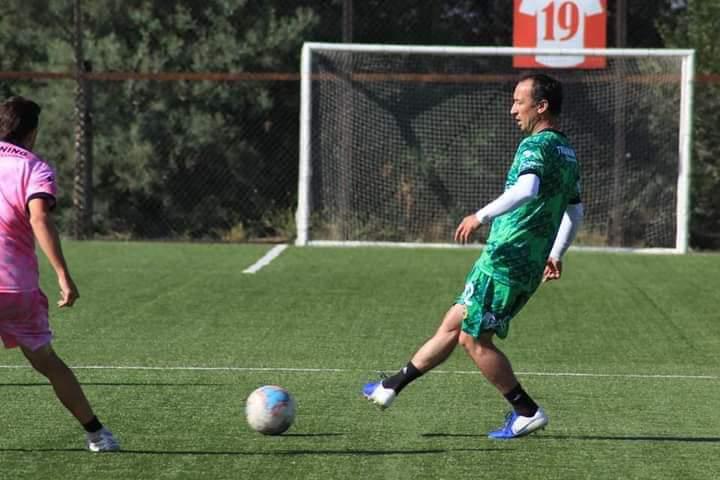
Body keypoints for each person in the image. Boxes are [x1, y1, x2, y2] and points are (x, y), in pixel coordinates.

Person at [363, 73, 584, 439]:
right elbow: (576, 211)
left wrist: (479, 216)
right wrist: (557, 252)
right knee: (454, 322)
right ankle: (390, 387)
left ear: (541, 107)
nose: (513, 109)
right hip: (520, 261)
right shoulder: (567, 151)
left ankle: (526, 410)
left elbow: (527, 189)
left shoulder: (535, 146)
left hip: (505, 261)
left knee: (473, 340)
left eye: (519, 102)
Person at [0, 96, 119, 452]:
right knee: (47, 362)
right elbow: (39, 218)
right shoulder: (34, 168)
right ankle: (97, 434)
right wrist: (63, 275)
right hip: (15, 289)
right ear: (32, 132)